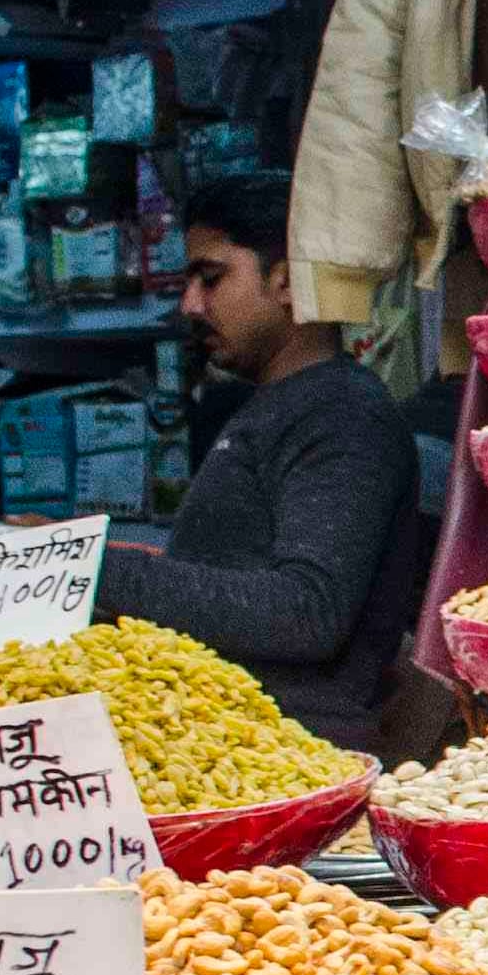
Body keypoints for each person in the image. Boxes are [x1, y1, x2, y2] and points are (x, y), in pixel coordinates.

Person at [93, 173, 425, 758]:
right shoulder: (281, 406)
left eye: (212, 277)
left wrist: (94, 570)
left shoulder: (342, 414)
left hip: (294, 762)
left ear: (289, 282)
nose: (191, 304)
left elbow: (307, 610)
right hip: (234, 748)